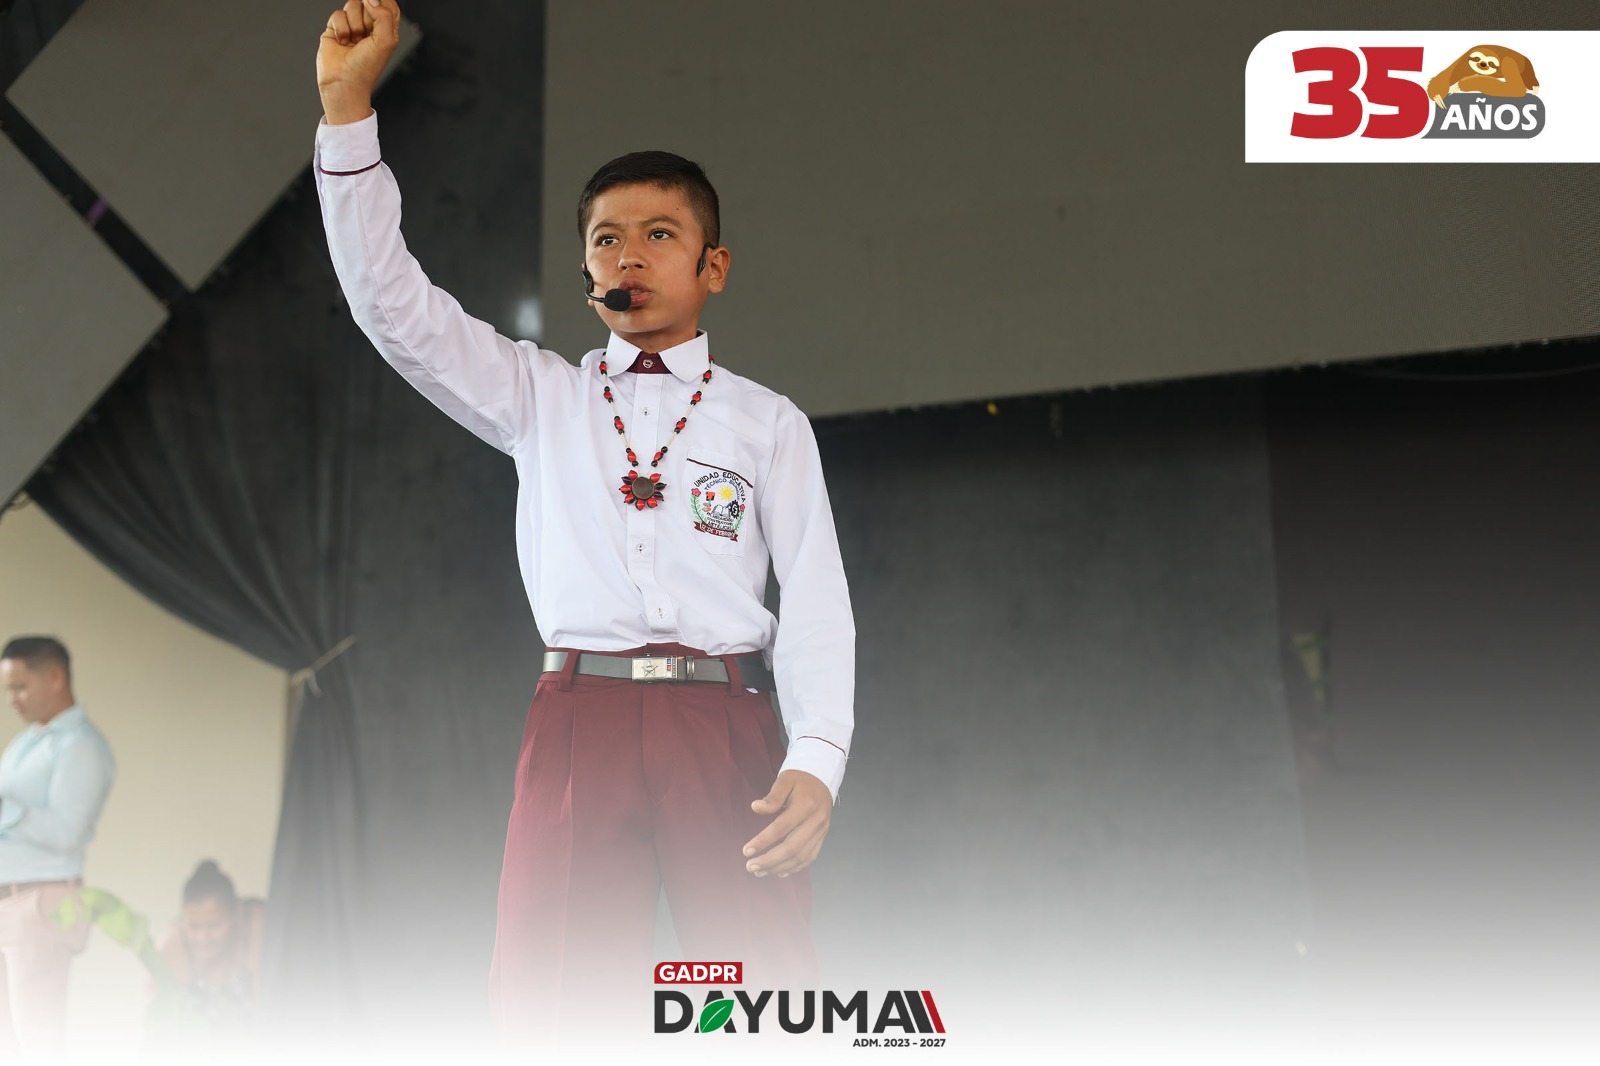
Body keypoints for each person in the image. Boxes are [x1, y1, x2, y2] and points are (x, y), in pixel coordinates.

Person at [314, 0, 855, 1038]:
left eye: (660, 235)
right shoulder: (540, 394)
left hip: (726, 717)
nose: (630, 257)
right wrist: (347, 114)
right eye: (607, 239)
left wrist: (816, 755)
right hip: (579, 715)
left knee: (753, 994)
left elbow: (819, 603)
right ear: (587, 269)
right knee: (549, 997)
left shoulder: (767, 423)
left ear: (713, 266)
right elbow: (391, 305)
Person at [0, 636, 116, 1056]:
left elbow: (68, 833)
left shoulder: (80, 745)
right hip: (10, 901)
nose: (12, 699)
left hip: (38, 904)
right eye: (8, 689)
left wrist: (7, 809)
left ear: (55, 678)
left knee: (37, 1042)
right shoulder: (26, 743)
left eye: (20, 687)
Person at [152, 860, 266, 1037]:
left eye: (214, 925)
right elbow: (158, 1026)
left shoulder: (257, 923)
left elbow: (269, 1002)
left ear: (236, 912)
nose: (203, 938)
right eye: (194, 926)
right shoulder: (171, 947)